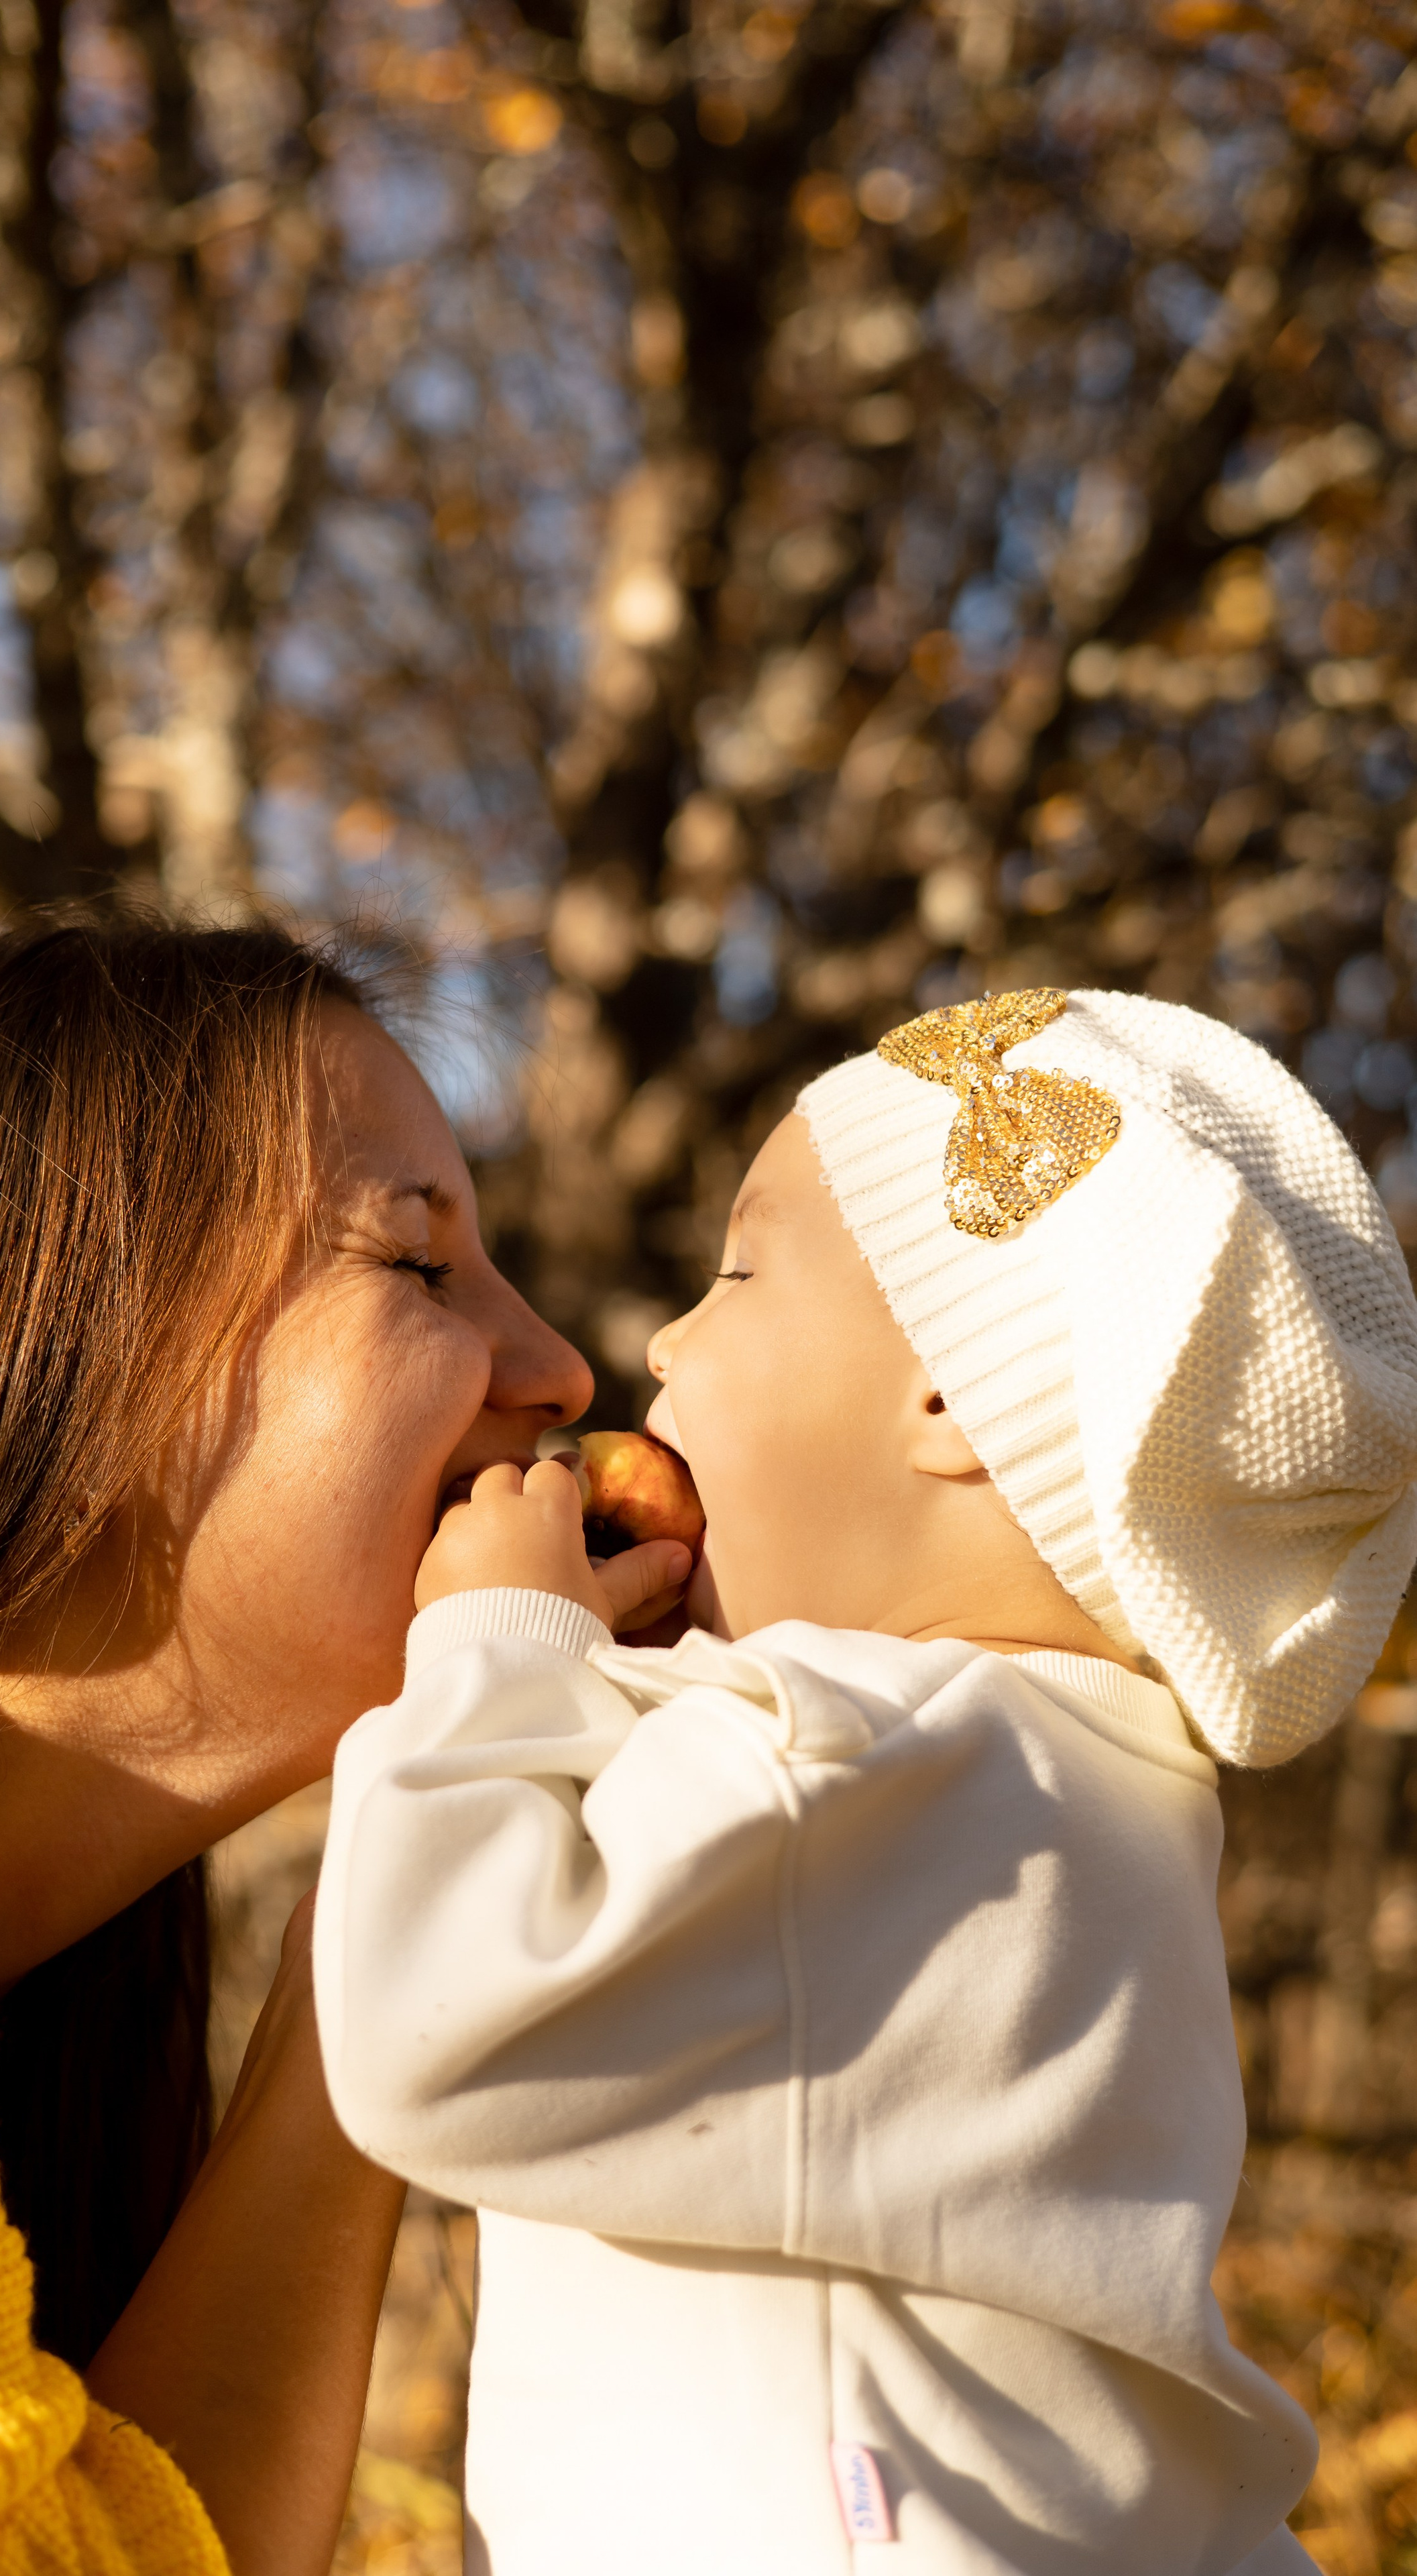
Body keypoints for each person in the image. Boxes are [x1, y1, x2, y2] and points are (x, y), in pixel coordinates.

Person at [314, 985, 1417, 2575]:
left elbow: (439, 2031)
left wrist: (497, 1643)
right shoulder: (1085, 1787)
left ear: (953, 1399)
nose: (661, 1341)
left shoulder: (835, 1755)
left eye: (739, 1271)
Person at [0, 916, 651, 2574]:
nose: (560, 1372)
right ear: (53, 1339)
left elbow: (126, 2535)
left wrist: (400, 1923)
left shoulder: (52, 2006)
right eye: (416, 1264)